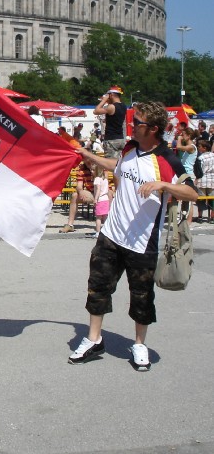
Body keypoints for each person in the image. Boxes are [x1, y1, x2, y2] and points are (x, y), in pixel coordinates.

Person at [68, 102, 198, 371]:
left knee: (141, 296)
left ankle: (139, 344)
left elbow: (192, 193)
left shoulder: (167, 160)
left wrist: (163, 184)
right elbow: (117, 166)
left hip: (142, 242)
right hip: (111, 235)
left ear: (152, 129)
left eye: (136, 122)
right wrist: (87, 155)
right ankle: (94, 339)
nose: (131, 125)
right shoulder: (129, 148)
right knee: (98, 287)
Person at [59, 160, 94, 233]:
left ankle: (108, 225)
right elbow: (79, 185)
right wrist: (80, 191)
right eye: (86, 160)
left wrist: (95, 173)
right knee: (75, 196)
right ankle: (70, 225)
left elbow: (105, 182)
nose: (88, 162)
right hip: (92, 193)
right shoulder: (81, 170)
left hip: (103, 191)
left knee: (109, 194)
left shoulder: (101, 167)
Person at [94, 86, 127, 159]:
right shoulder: (124, 106)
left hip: (111, 139)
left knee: (111, 164)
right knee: (120, 162)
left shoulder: (111, 107)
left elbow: (96, 111)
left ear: (111, 95)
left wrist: (104, 100)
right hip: (121, 138)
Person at [193, 140, 214, 223]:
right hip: (212, 180)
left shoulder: (200, 158)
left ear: (204, 148)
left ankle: (200, 217)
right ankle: (212, 217)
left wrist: (196, 179)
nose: (198, 148)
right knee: (212, 199)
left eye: (199, 146)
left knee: (201, 199)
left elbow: (198, 172)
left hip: (202, 181)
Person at [86, 164, 110, 238]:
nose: (91, 171)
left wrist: (95, 199)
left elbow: (98, 190)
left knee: (98, 217)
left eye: (93, 170)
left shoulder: (97, 179)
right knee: (105, 216)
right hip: (106, 198)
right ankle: (107, 232)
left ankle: (98, 232)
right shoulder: (105, 179)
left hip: (100, 199)